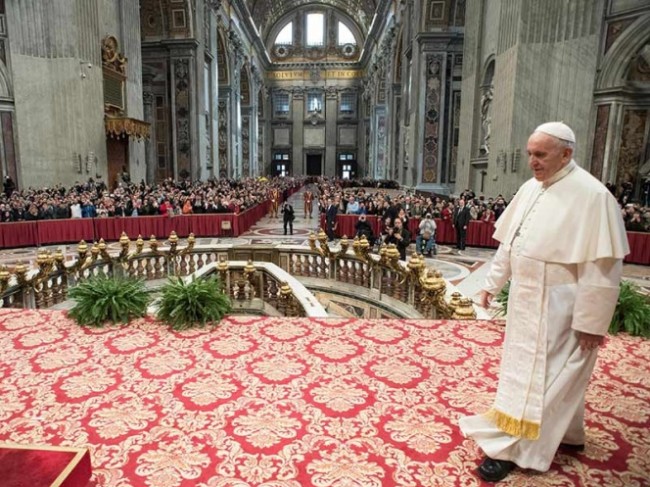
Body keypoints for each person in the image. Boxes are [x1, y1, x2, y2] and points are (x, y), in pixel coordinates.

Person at [459, 122, 629, 482]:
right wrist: (492, 284)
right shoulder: (531, 188)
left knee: (542, 381)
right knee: (541, 377)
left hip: (561, 306)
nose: (532, 162)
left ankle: (516, 450)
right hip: (525, 300)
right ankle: (569, 434)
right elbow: (511, 243)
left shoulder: (593, 196)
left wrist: (591, 322)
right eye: (530, 154)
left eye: (540, 154)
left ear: (566, 153)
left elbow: (603, 268)